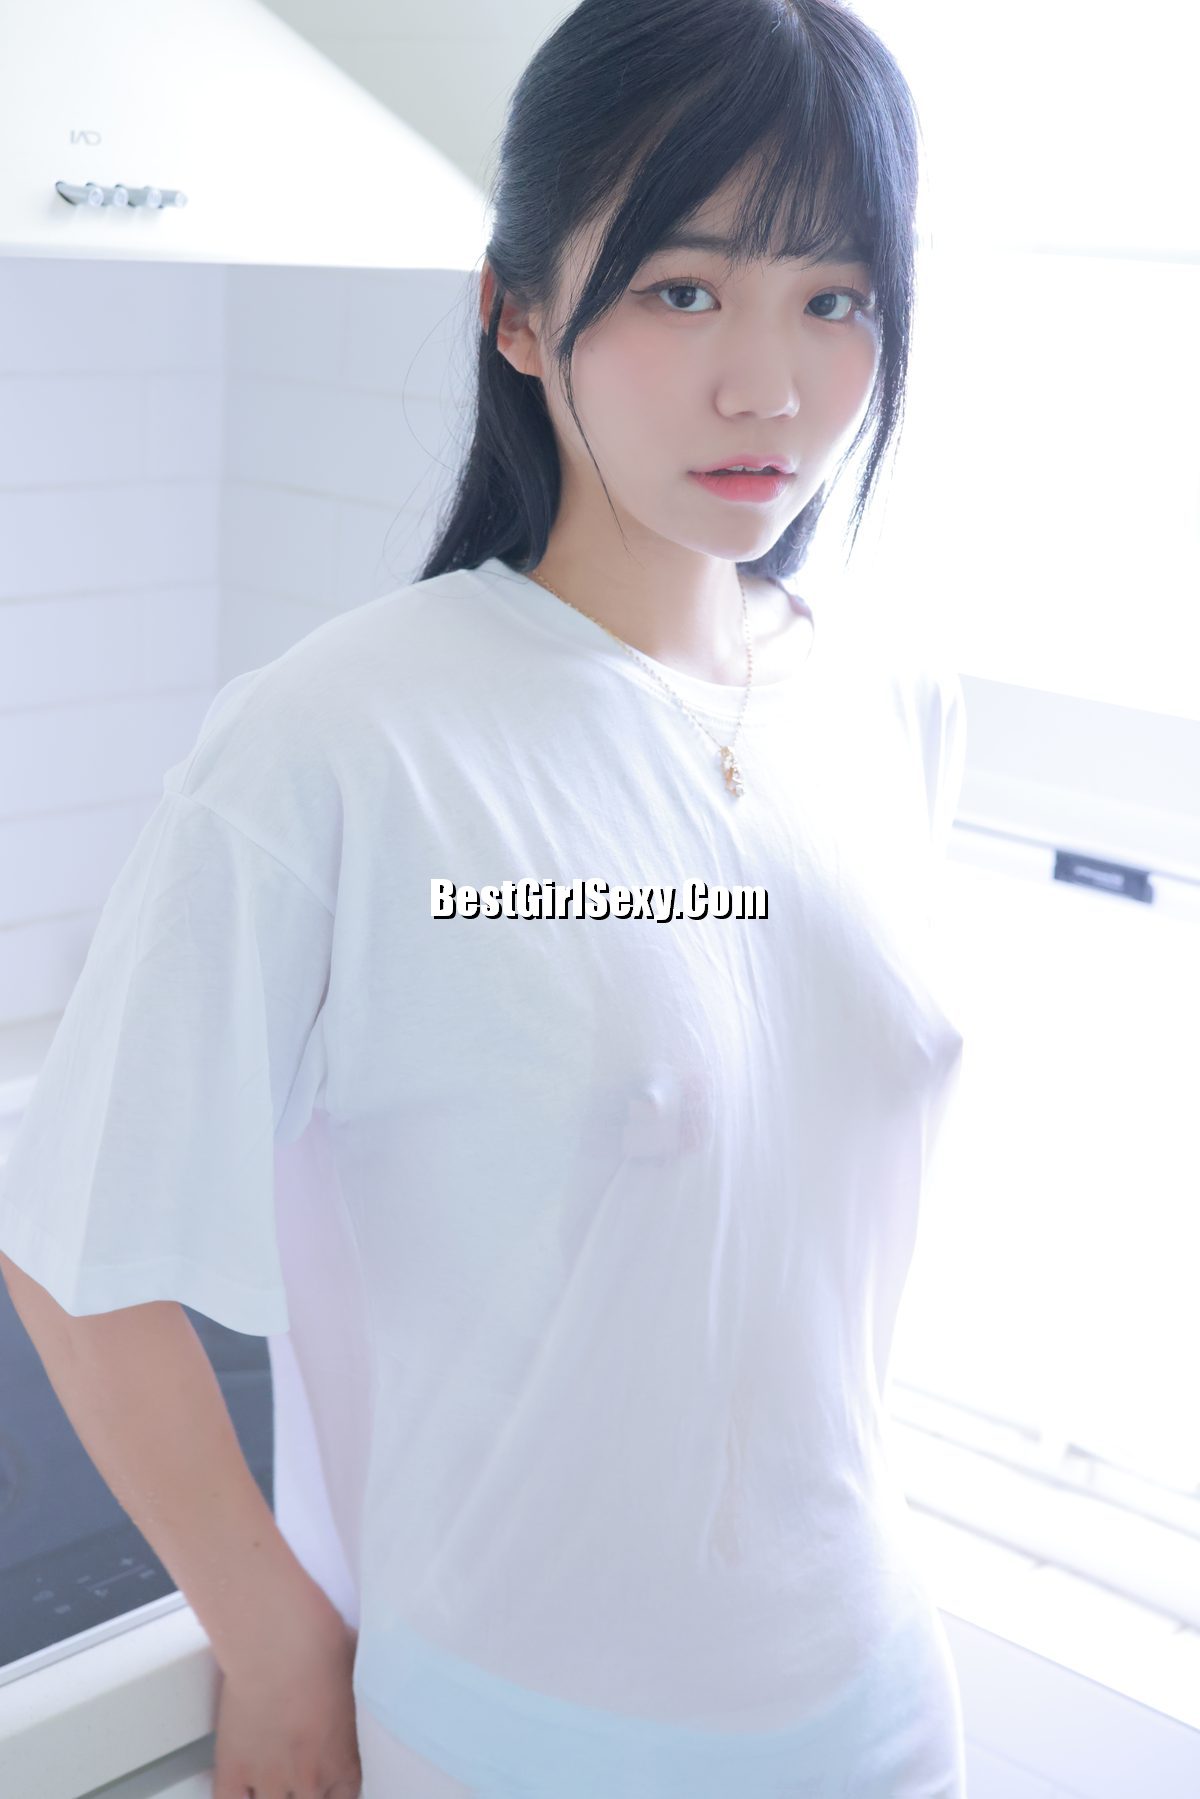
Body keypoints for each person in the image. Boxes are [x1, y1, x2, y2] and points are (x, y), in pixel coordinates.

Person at [0, 0, 972, 1793]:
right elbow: (74, 1247)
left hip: (885, 1711)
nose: (769, 384)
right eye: (684, 288)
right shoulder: (341, 738)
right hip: (514, 1738)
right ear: (517, 313)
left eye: (835, 298)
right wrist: (276, 1640)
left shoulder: (894, 703)